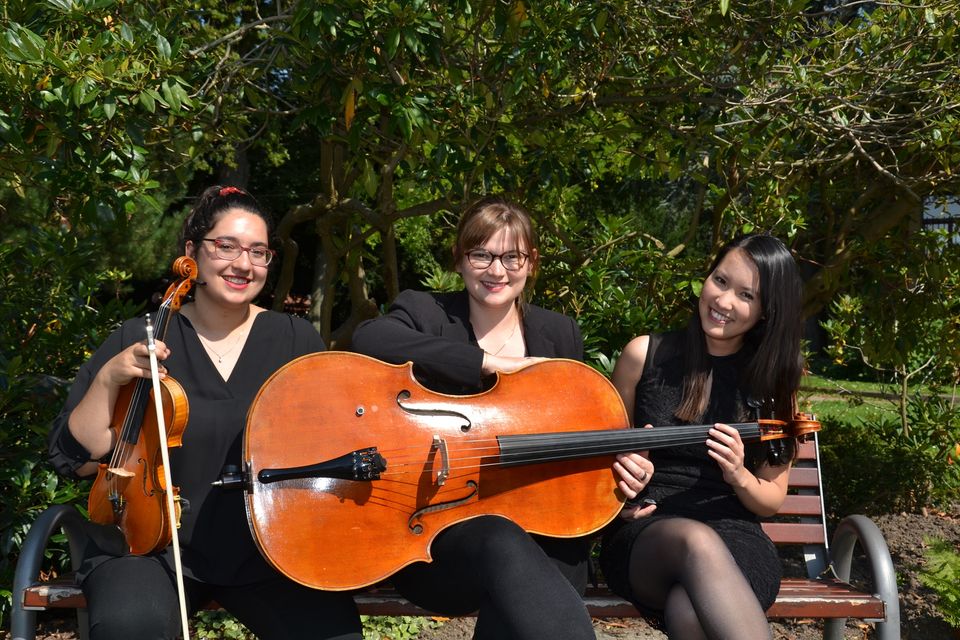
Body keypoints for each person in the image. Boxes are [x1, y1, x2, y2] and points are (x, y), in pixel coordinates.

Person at [48, 186, 362, 640]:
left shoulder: (295, 340)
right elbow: (77, 458)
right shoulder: (143, 336)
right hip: (150, 545)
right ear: (192, 253)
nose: (243, 264)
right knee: (131, 626)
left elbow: (336, 445)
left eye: (258, 252)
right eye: (226, 246)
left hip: (271, 549)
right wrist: (109, 378)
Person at [350, 195, 596, 640]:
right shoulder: (425, 311)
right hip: (439, 533)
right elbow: (369, 338)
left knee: (560, 561)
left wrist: (625, 465)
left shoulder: (560, 333)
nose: (497, 270)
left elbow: (577, 429)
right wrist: (483, 362)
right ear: (459, 259)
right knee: (502, 541)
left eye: (512, 257)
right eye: (481, 255)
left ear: (531, 262)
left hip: (537, 520)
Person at [599, 233, 804, 640]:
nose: (724, 301)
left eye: (746, 295)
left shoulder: (771, 382)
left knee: (688, 611)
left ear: (766, 311)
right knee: (696, 541)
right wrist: (618, 498)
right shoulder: (644, 355)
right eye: (720, 281)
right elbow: (600, 460)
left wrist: (738, 474)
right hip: (648, 534)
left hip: (738, 538)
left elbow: (771, 499)